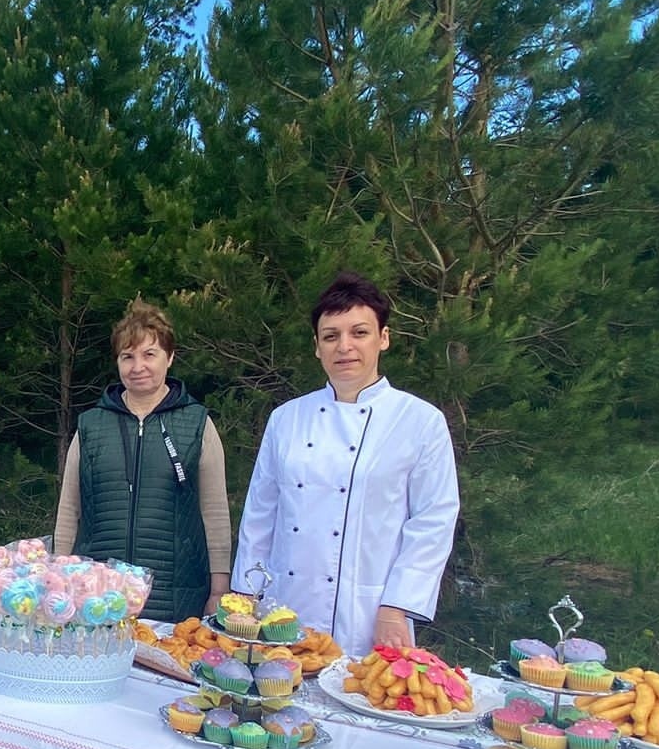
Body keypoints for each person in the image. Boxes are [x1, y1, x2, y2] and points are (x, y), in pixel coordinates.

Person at [232, 272, 459, 656]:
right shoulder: (286, 418)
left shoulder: (420, 421)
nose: (344, 347)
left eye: (359, 333)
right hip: (282, 607)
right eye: (331, 336)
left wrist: (397, 606)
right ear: (317, 347)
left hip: (371, 614)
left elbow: (433, 522)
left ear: (383, 338)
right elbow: (259, 516)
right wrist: (244, 595)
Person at [53, 299, 231, 622]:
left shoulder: (197, 424)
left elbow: (215, 512)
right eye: (128, 356)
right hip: (97, 601)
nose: (138, 367)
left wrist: (219, 590)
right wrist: (57, 577)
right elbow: (69, 509)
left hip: (176, 601)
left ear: (170, 357)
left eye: (149, 354)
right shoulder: (91, 426)